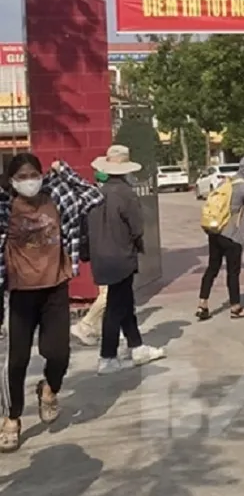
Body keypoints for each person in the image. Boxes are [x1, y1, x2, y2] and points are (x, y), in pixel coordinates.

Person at [0, 154, 105, 453]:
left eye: (33, 174)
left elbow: (94, 197)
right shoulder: (5, 206)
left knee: (58, 353)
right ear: (11, 181)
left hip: (55, 289)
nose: (28, 181)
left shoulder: (56, 196)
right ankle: (11, 418)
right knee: (16, 360)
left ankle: (49, 389)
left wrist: (65, 171)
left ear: (42, 175)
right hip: (19, 293)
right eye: (21, 176)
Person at [87, 145, 167, 373]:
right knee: (115, 306)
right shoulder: (126, 194)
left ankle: (136, 346)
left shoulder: (97, 193)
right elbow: (137, 228)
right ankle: (108, 356)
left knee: (124, 302)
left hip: (101, 256)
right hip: (121, 257)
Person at [195, 156, 244, 321]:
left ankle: (202, 304)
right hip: (232, 236)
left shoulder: (225, 183)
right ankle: (236, 307)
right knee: (233, 272)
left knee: (212, 268)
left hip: (215, 231)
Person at [70, 169, 110, 346]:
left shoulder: (88, 198)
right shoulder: (99, 200)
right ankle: (85, 325)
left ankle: (98, 329)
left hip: (96, 252)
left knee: (104, 292)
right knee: (109, 294)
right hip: (104, 253)